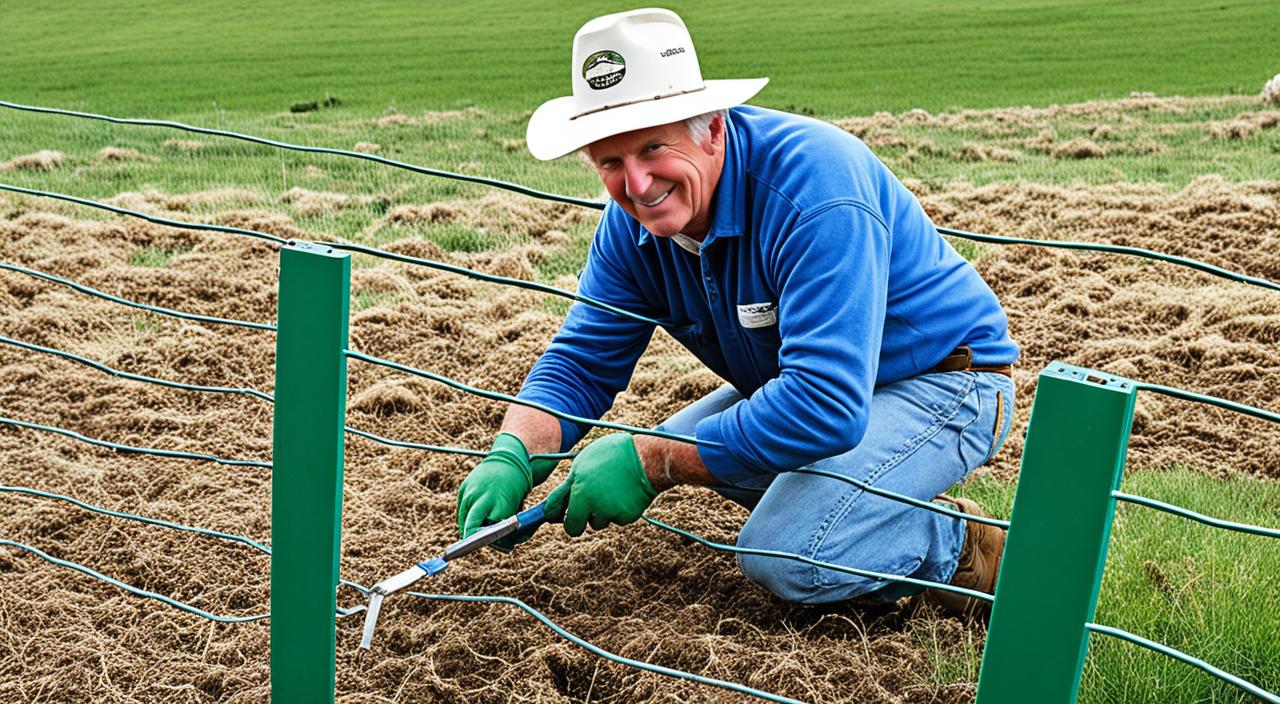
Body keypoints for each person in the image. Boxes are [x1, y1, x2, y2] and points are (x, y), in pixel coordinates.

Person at [455, 8, 1018, 612]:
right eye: (611, 163)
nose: (637, 184)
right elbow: (581, 363)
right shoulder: (630, 228)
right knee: (675, 443)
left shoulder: (815, 190)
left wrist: (658, 463)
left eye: (653, 149)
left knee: (783, 552)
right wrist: (512, 454)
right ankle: (862, 523)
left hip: (944, 381)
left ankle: (962, 548)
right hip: (809, 390)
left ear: (713, 130)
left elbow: (825, 406)